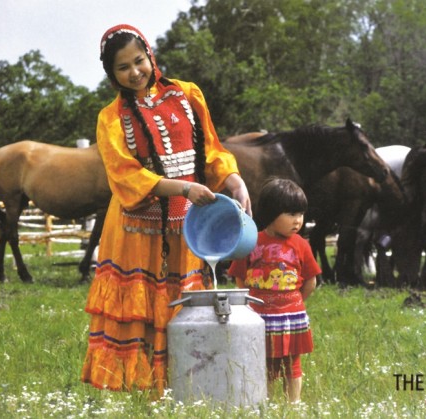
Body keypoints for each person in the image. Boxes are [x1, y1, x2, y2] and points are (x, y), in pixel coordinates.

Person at [80, 24, 251, 396]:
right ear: (112, 74)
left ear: (150, 55)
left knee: (186, 306)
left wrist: (234, 180)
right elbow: (125, 176)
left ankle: (190, 382)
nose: (134, 72)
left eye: (138, 61)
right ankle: (144, 392)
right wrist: (184, 188)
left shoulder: (187, 95)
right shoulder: (110, 118)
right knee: (142, 311)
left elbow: (212, 150)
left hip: (188, 227)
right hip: (135, 233)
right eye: (122, 67)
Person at [228, 178, 320, 403]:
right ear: (270, 213)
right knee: (264, 361)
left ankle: (293, 404)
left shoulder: (301, 245)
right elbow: (240, 277)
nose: (297, 221)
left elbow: (311, 281)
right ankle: (263, 402)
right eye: (290, 214)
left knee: (292, 363)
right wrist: (254, 302)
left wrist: (294, 301)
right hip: (259, 317)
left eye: (301, 214)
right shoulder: (252, 242)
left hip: (292, 316)